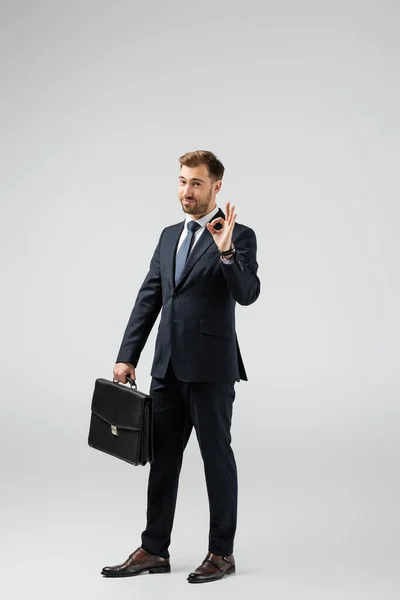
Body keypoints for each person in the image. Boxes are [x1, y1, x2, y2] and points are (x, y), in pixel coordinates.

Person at [101, 150, 260, 584]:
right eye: (182, 181)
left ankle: (221, 553)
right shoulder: (169, 235)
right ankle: (154, 549)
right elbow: (149, 295)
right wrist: (126, 355)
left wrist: (226, 252)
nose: (186, 191)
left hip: (211, 370)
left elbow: (247, 293)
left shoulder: (239, 235)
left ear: (216, 187)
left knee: (216, 459)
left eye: (195, 183)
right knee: (163, 460)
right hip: (166, 367)